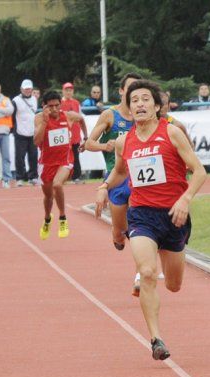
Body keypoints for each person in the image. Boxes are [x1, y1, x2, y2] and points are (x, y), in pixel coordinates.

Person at [95, 79, 207, 360]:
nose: (140, 104)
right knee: (146, 272)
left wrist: (185, 199)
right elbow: (121, 172)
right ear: (129, 108)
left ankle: (170, 267)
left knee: (173, 284)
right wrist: (103, 187)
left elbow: (199, 171)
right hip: (142, 215)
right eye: (134, 101)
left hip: (174, 216)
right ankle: (156, 338)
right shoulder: (124, 141)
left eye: (146, 99)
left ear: (157, 106)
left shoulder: (172, 133)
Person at [84, 72, 141, 253]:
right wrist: (105, 146)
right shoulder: (110, 115)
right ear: (121, 91)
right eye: (130, 88)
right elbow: (89, 143)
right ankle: (117, 234)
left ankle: (142, 268)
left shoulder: (143, 116)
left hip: (138, 175)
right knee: (120, 230)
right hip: (116, 174)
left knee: (138, 225)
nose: (134, 92)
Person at [35, 90, 84, 239]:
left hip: (65, 160)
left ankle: (62, 218)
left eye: (57, 105)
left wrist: (86, 137)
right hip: (46, 163)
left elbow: (81, 119)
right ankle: (47, 219)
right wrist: (44, 121)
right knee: (48, 197)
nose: (54, 109)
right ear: (44, 106)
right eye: (51, 107)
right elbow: (36, 141)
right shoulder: (38, 118)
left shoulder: (68, 116)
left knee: (57, 185)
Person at [12, 79, 39, 186]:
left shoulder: (34, 99)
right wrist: (14, 130)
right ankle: (20, 178)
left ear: (32, 89)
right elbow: (12, 116)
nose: (27, 91)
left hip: (33, 133)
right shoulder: (15, 100)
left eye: (29, 89)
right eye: (25, 89)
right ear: (21, 89)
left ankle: (33, 176)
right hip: (20, 132)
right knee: (20, 156)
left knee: (33, 156)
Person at [61, 83, 88, 183]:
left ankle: (76, 177)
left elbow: (81, 119)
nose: (68, 92)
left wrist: (85, 135)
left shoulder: (76, 103)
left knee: (76, 156)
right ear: (63, 91)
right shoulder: (59, 103)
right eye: (66, 90)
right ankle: (64, 177)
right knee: (64, 157)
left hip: (75, 134)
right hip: (64, 134)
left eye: (70, 90)